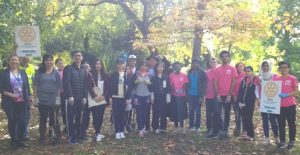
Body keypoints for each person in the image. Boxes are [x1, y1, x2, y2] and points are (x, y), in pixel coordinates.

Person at [0, 55, 32, 149]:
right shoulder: (3, 73)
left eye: (16, 60)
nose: (14, 61)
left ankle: (20, 140)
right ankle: (13, 140)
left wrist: (29, 96)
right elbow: (1, 88)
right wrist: (11, 95)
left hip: (22, 101)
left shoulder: (22, 72)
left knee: (23, 121)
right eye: (12, 60)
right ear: (9, 61)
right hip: (10, 102)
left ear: (18, 62)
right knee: (12, 121)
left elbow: (26, 86)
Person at [33, 54, 62, 145]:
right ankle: (42, 138)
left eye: (50, 60)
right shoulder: (39, 72)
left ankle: (57, 137)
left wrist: (57, 97)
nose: (49, 62)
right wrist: (35, 97)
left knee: (54, 119)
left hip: (53, 100)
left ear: (53, 61)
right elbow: (35, 85)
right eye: (47, 60)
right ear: (44, 61)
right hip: (42, 100)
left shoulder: (56, 72)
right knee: (43, 119)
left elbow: (59, 86)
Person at [63, 51, 88, 144]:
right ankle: (71, 137)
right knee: (70, 118)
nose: (78, 57)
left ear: (82, 57)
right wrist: (70, 96)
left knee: (78, 117)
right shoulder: (68, 68)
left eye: (79, 55)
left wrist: (85, 97)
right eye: (76, 56)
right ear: (73, 58)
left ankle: (78, 135)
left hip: (81, 98)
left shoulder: (83, 70)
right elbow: (66, 83)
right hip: (71, 99)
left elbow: (85, 85)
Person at [275, 61, 298, 150]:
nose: (284, 69)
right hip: (279, 106)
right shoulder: (277, 80)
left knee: (291, 123)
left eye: (286, 67)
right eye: (282, 67)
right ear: (280, 69)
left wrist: (286, 94)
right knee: (281, 124)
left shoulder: (293, 78)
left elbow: (297, 92)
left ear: (289, 68)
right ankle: (282, 141)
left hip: (290, 105)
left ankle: (291, 141)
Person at [214, 50, 238, 139]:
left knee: (227, 113)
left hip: (228, 95)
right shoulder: (217, 68)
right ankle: (220, 130)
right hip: (219, 95)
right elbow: (215, 82)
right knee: (217, 113)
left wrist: (229, 94)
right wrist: (217, 94)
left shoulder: (232, 68)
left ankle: (225, 131)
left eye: (226, 56)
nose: (224, 58)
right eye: (223, 56)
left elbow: (234, 81)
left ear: (228, 58)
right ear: (221, 58)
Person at [255, 60, 279, 145]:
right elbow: (257, 89)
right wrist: (258, 99)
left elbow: (278, 88)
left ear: (269, 66)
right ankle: (266, 138)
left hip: (273, 102)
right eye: (263, 66)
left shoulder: (275, 76)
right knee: (265, 119)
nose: (265, 67)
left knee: (273, 119)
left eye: (267, 65)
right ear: (261, 67)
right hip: (263, 102)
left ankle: (276, 137)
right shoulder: (259, 77)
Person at [108, 59, 131, 139]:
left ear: (123, 65)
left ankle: (121, 130)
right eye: (119, 64)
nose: (120, 65)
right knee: (116, 114)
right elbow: (110, 86)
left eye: (122, 64)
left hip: (123, 98)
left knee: (122, 115)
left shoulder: (126, 75)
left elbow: (128, 87)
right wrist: (110, 96)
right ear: (116, 65)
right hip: (115, 97)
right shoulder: (113, 75)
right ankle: (117, 131)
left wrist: (128, 98)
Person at [87, 59, 109, 141]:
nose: (98, 65)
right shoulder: (90, 74)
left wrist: (104, 96)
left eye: (100, 64)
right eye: (96, 64)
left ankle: (98, 132)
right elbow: (89, 86)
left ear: (102, 65)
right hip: (94, 99)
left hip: (102, 99)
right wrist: (94, 96)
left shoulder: (106, 75)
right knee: (95, 116)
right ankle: (97, 132)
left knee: (101, 116)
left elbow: (108, 87)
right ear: (94, 65)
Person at [187, 59, 207, 132]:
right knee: (191, 111)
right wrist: (187, 95)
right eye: (194, 63)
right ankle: (191, 126)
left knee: (198, 112)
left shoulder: (202, 73)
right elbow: (187, 83)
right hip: (190, 95)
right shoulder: (189, 72)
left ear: (199, 64)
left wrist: (202, 96)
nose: (195, 65)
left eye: (197, 63)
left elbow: (205, 85)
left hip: (199, 95)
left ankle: (197, 127)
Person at [237, 66, 257, 141]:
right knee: (244, 119)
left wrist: (245, 103)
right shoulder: (243, 80)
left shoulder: (255, 80)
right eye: (246, 71)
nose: (247, 73)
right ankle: (246, 134)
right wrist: (239, 102)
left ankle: (251, 135)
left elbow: (253, 94)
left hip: (250, 104)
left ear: (252, 71)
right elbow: (240, 92)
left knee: (249, 119)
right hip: (241, 103)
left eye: (249, 71)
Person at [150, 62, 170, 134]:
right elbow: (151, 88)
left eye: (162, 67)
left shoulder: (166, 77)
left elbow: (168, 88)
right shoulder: (153, 77)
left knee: (164, 112)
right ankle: (155, 127)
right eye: (159, 67)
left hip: (164, 96)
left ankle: (163, 127)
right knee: (156, 112)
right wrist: (152, 98)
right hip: (156, 96)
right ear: (156, 68)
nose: (160, 68)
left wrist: (168, 98)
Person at [169, 62, 189, 132]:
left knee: (182, 111)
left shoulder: (184, 75)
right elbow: (170, 85)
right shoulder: (171, 75)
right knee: (175, 111)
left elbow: (186, 84)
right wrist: (174, 89)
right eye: (175, 67)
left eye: (178, 67)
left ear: (180, 68)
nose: (177, 68)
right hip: (174, 96)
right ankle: (176, 126)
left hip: (182, 96)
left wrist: (182, 89)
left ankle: (182, 126)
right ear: (173, 68)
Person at [19, 57, 35, 140]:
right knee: (18, 115)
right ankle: (18, 134)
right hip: (17, 95)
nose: (26, 58)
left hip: (28, 94)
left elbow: (34, 81)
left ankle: (25, 134)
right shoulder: (17, 66)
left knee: (27, 114)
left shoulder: (32, 67)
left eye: (28, 56)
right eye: (24, 56)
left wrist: (32, 95)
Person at [205, 58, 219, 138]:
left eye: (214, 62)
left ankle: (216, 129)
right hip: (208, 96)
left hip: (216, 96)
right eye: (211, 62)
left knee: (216, 114)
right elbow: (204, 83)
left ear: (216, 62)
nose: (213, 63)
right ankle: (209, 128)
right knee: (208, 114)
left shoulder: (219, 71)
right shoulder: (206, 72)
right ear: (209, 63)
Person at [233, 62, 246, 137]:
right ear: (236, 68)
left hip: (244, 98)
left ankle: (244, 131)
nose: (240, 67)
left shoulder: (246, 75)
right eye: (239, 66)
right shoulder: (235, 75)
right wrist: (233, 95)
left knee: (244, 115)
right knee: (237, 115)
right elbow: (233, 86)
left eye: (242, 66)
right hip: (235, 98)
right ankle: (238, 130)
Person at [124, 54, 137, 132]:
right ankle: (125, 124)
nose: (132, 62)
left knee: (132, 108)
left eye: (133, 60)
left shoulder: (137, 70)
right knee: (127, 108)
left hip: (135, 91)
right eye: (130, 60)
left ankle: (129, 124)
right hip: (127, 91)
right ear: (128, 61)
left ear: (135, 61)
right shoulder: (126, 69)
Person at [55, 58, 67, 133]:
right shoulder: (55, 72)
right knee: (56, 111)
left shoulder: (66, 72)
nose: (61, 65)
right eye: (59, 64)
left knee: (64, 111)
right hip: (56, 95)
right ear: (56, 65)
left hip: (64, 94)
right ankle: (55, 127)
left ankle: (66, 125)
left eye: (62, 63)